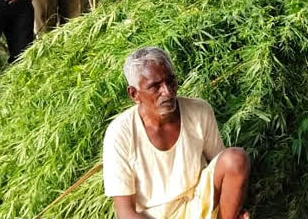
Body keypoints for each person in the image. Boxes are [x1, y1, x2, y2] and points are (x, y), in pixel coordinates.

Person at [103, 47, 251, 219]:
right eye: (155, 86)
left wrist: (235, 206)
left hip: (199, 202)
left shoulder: (199, 110)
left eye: (170, 81)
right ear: (134, 94)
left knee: (236, 158)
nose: (167, 92)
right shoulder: (120, 133)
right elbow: (125, 212)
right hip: (156, 216)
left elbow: (221, 164)